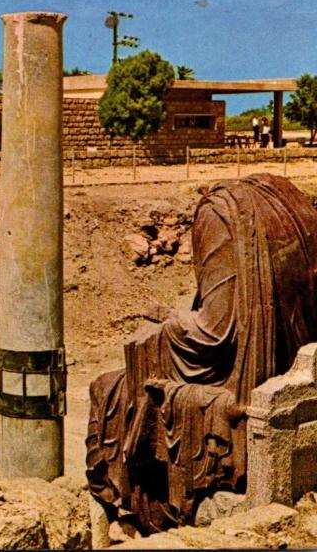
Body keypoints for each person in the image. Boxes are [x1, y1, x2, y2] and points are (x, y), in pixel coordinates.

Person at [86, 174, 317, 534]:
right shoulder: (288, 199)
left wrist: (166, 327)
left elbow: (213, 332)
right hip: (290, 370)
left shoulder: (218, 215)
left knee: (108, 390)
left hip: (237, 385)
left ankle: (140, 518)